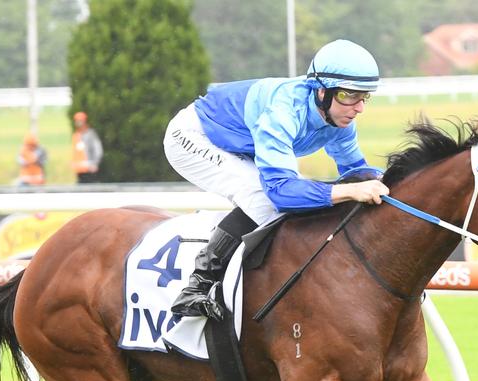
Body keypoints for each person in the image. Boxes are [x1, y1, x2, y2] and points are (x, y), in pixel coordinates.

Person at [163, 39, 390, 318]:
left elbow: (355, 171)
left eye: (363, 97)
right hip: (193, 136)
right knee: (262, 198)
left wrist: (388, 182)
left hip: (241, 144)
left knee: (299, 192)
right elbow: (281, 192)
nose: (358, 108)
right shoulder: (284, 111)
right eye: (348, 96)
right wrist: (349, 192)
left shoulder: (339, 121)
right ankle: (197, 286)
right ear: (321, 92)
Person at [71, 111, 103, 183]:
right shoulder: (76, 135)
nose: (78, 123)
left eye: (80, 121)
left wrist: (95, 163)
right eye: (77, 121)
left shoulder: (90, 134)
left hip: (89, 169)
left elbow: (98, 150)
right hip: (79, 170)